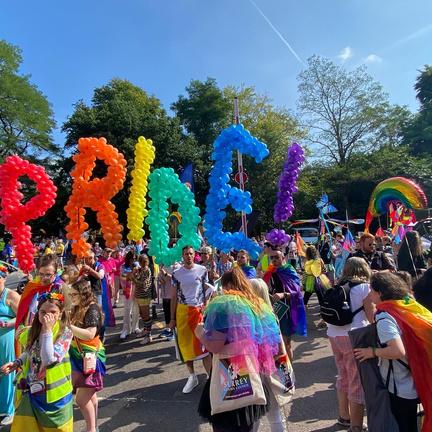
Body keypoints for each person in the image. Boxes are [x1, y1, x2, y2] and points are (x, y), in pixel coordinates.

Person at [196, 267, 281, 432]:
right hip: (250, 370)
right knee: (246, 424)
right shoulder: (256, 304)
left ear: (227, 285)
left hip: (226, 371)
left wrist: (200, 334)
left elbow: (215, 346)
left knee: (226, 426)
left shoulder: (223, 305)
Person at [353, 272, 431, 432]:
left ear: (380, 293)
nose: (369, 294)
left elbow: (397, 350)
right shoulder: (406, 306)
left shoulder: (385, 317)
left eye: (371, 290)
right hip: (414, 381)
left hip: (399, 387)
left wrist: (372, 352)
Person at [1, 287, 73, 431]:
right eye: (43, 312)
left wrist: (47, 331)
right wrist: (17, 362)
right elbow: (31, 352)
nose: (47, 316)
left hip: (55, 397)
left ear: (60, 314)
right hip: (32, 392)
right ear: (38, 313)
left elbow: (48, 359)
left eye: (53, 312)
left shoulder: (65, 333)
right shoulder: (33, 330)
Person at [327, 257, 375, 432]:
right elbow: (371, 317)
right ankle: (356, 426)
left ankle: (344, 416)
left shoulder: (337, 286)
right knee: (356, 380)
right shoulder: (364, 288)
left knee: (343, 375)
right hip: (354, 336)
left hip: (334, 335)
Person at [169, 246, 212, 393]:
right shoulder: (176, 274)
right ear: (182, 256)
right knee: (185, 346)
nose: (188, 256)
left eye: (191, 253)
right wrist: (172, 318)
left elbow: (207, 290)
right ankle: (192, 376)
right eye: (186, 254)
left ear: (194, 255)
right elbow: (173, 297)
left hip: (198, 312)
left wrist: (207, 305)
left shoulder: (202, 270)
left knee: (204, 346)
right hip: (182, 312)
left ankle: (211, 378)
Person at [68, 279, 106, 432]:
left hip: (91, 357)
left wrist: (68, 326)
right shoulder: (78, 307)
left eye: (74, 294)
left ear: (83, 294)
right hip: (80, 356)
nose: (71, 297)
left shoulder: (92, 309)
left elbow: (90, 334)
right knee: (90, 396)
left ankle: (91, 430)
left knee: (81, 400)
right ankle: (94, 427)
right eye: (70, 294)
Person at [263, 248, 307, 360]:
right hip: (273, 309)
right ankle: (281, 367)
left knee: (286, 342)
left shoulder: (289, 270)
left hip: (286, 309)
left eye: (276, 257)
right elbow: (265, 286)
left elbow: (297, 289)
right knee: (275, 341)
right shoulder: (270, 271)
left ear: (283, 258)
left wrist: (283, 294)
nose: (274, 260)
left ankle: (289, 368)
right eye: (272, 257)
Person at [15, 254, 63, 330]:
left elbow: (61, 303)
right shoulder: (32, 286)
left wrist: (48, 295)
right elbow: (23, 309)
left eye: (48, 275)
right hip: (29, 328)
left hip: (49, 329)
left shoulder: (59, 287)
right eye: (41, 274)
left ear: (55, 274)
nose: (43, 278)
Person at [0, 264, 20, 426]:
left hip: (7, 338)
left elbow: (23, 316)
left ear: (4, 278)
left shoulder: (11, 295)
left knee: (7, 371)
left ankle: (9, 410)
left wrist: (7, 323)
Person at [130, 254, 154, 344]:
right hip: (139, 295)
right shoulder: (141, 269)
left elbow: (143, 284)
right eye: (142, 261)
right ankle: (145, 330)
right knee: (142, 315)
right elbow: (135, 279)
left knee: (146, 316)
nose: (144, 262)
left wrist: (134, 279)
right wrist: (134, 273)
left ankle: (148, 336)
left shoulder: (147, 270)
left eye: (145, 261)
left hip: (144, 296)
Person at [120, 251, 140, 340]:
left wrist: (137, 272)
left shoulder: (138, 265)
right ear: (128, 258)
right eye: (132, 258)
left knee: (136, 309)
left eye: (135, 258)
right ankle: (126, 329)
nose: (133, 260)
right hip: (128, 289)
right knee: (127, 310)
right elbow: (122, 277)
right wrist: (132, 273)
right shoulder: (123, 267)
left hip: (136, 289)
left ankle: (135, 327)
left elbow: (140, 277)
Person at [157, 262, 180, 341]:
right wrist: (160, 277)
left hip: (172, 294)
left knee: (173, 313)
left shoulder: (177, 266)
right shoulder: (163, 265)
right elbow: (161, 279)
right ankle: (168, 329)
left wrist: (165, 274)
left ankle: (174, 332)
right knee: (166, 312)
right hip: (165, 293)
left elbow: (175, 279)